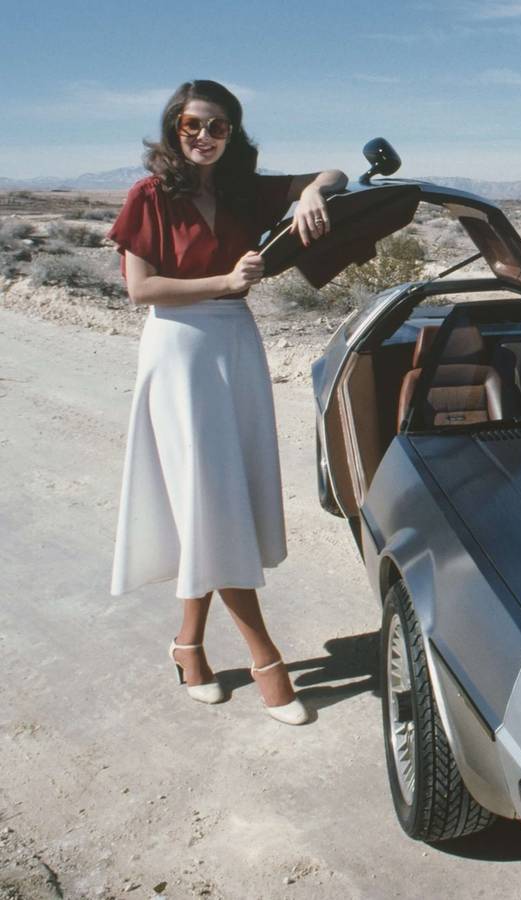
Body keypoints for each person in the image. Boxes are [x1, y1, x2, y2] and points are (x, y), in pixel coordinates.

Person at [108, 79, 347, 724]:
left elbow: (336, 170)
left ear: (233, 133)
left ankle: (187, 646)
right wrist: (225, 280)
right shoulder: (149, 196)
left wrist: (312, 194)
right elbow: (142, 290)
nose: (205, 138)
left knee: (215, 498)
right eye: (193, 126)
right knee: (210, 499)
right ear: (173, 128)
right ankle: (266, 659)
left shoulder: (243, 187)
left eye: (218, 127)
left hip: (236, 346)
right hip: (180, 349)